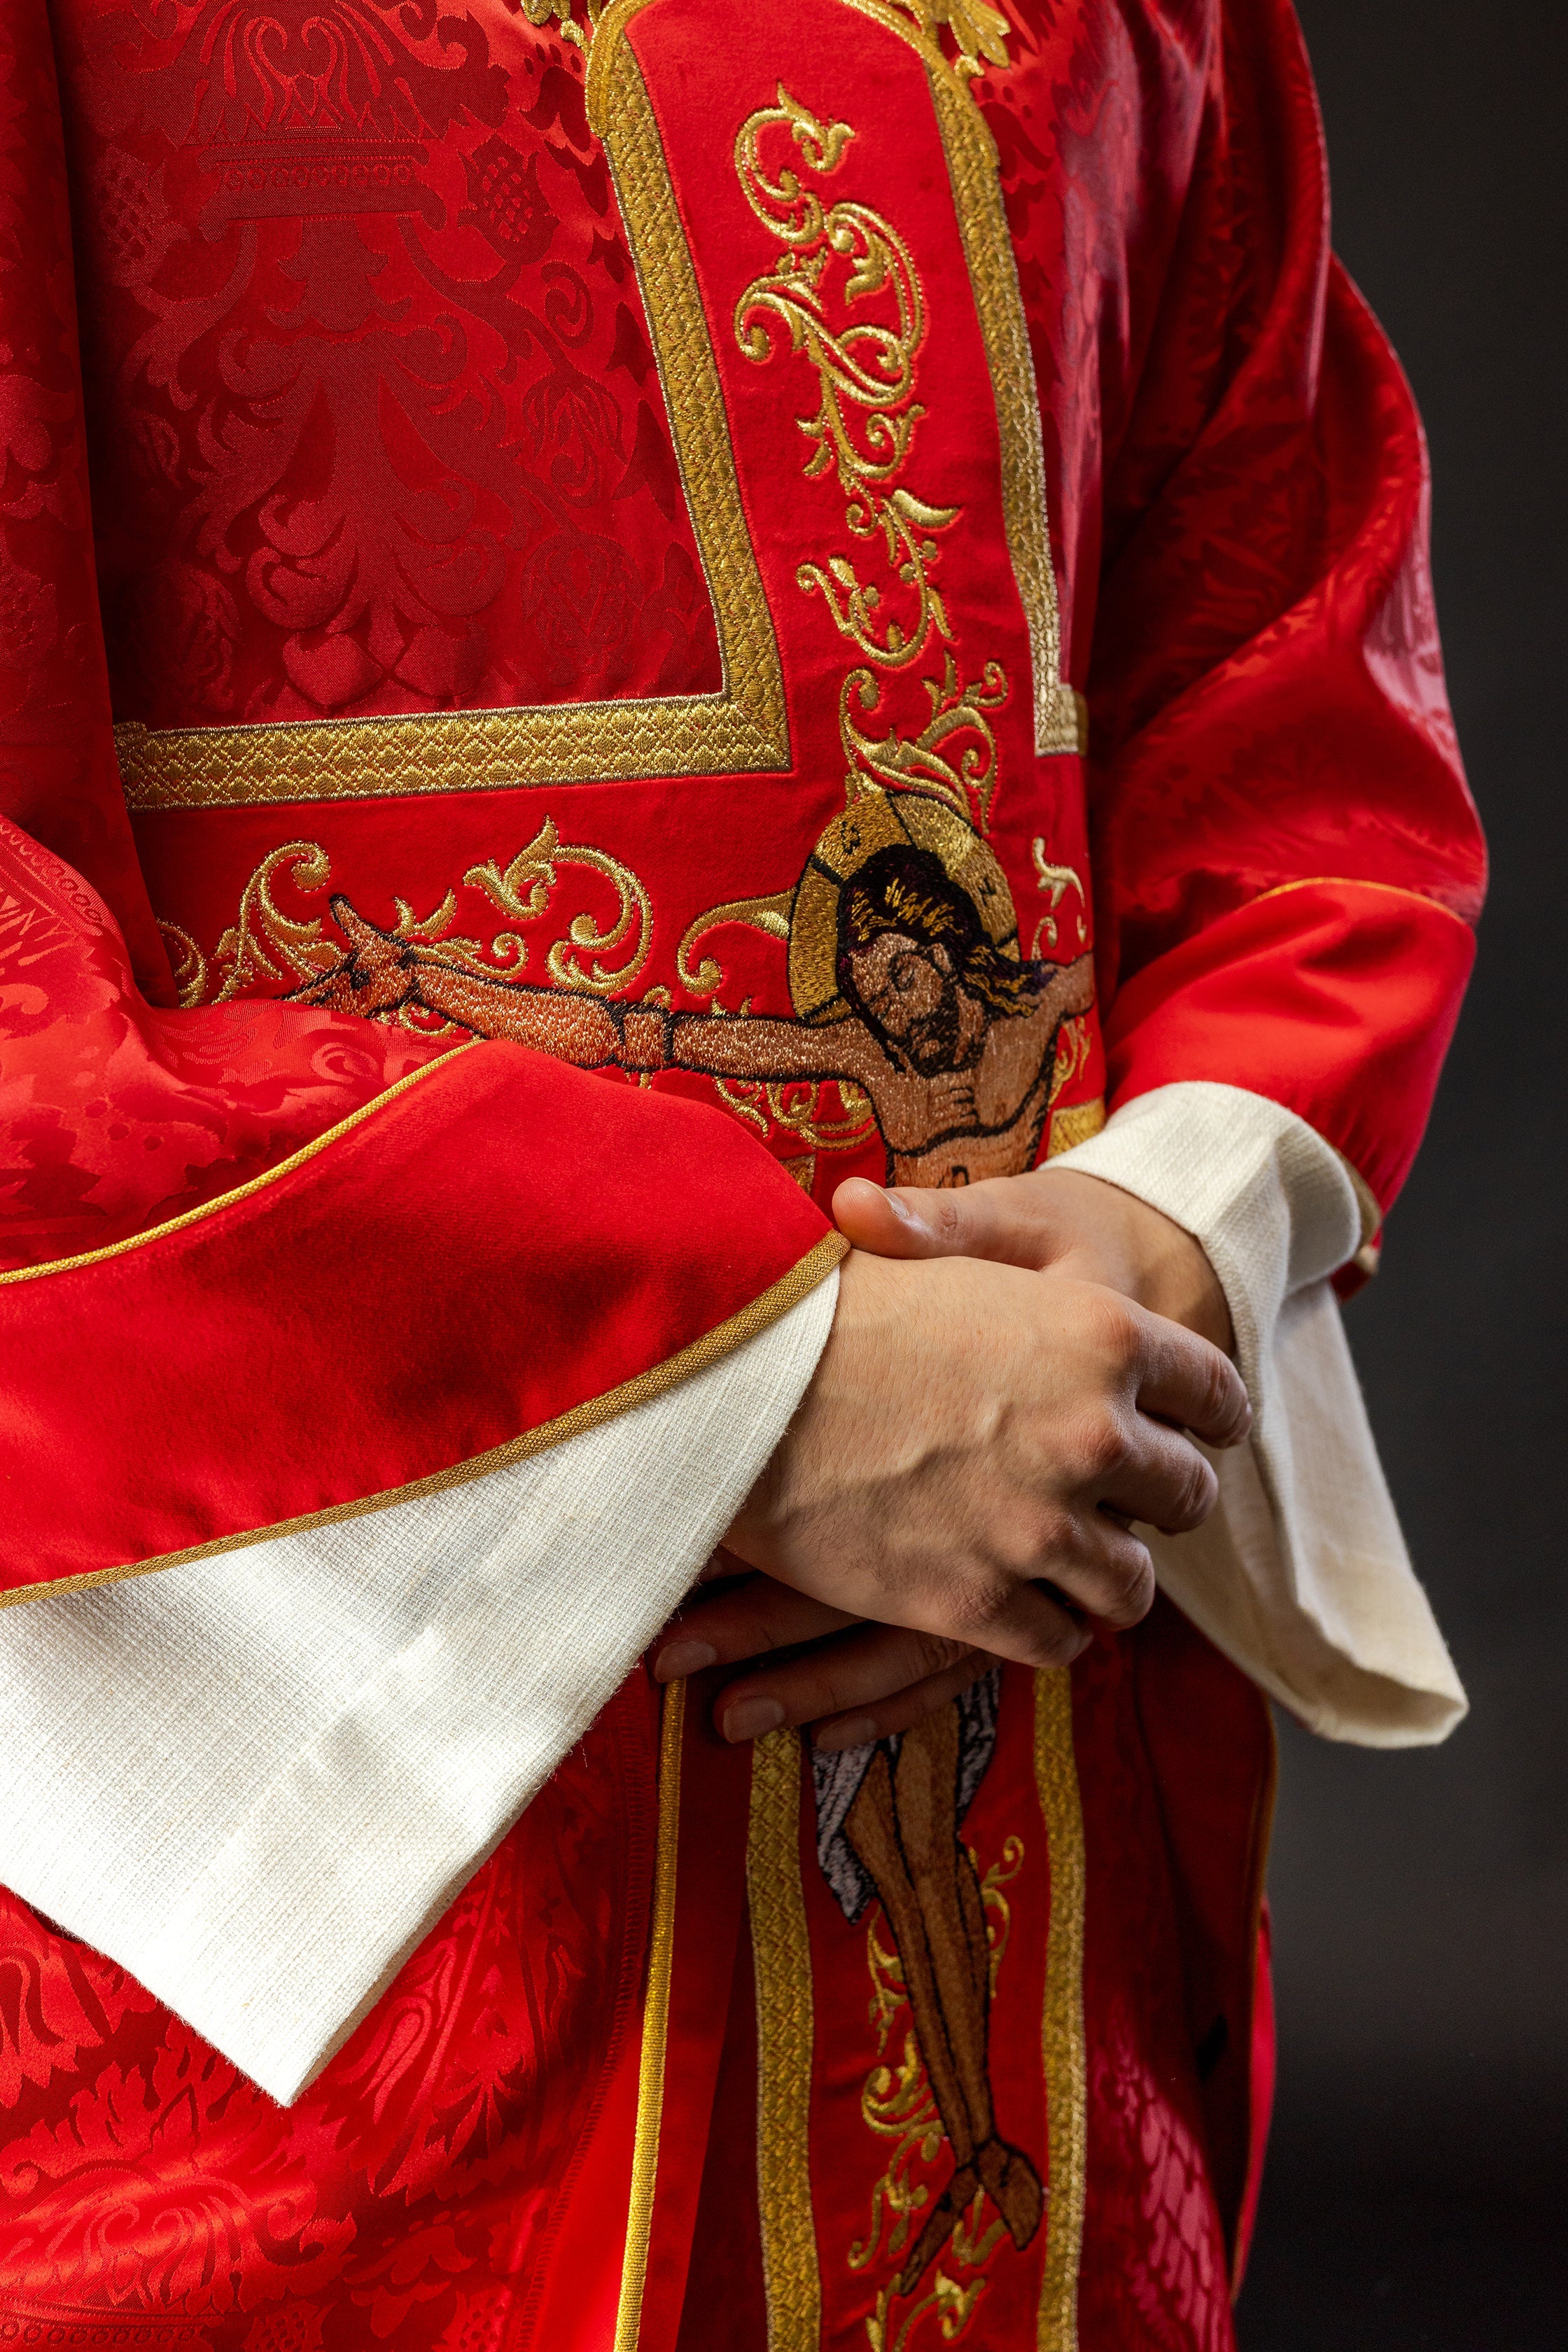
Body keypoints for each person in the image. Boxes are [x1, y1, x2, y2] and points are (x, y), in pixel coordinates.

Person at [0, 1, 1483, 2348]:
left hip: (1036, 1778)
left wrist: (1166, 1233)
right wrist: (747, 1393)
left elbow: (1285, 675)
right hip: (340, 1881)